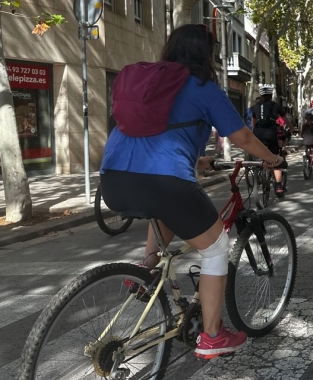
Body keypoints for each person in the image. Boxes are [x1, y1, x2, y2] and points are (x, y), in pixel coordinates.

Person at [100, 24, 285, 360]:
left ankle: (147, 269)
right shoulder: (203, 86)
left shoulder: (147, 83)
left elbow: (151, 133)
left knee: (166, 206)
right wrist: (272, 158)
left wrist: (196, 159)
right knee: (216, 247)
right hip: (164, 181)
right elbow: (242, 137)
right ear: (207, 54)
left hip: (112, 180)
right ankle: (213, 336)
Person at [251, 84, 287, 195]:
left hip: (257, 133)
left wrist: (254, 133)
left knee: (261, 154)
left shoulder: (255, 107)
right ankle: (278, 186)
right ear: (271, 94)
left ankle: (260, 172)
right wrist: (292, 129)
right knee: (275, 158)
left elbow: (253, 122)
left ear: (261, 95)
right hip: (270, 133)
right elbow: (285, 120)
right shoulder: (275, 105)